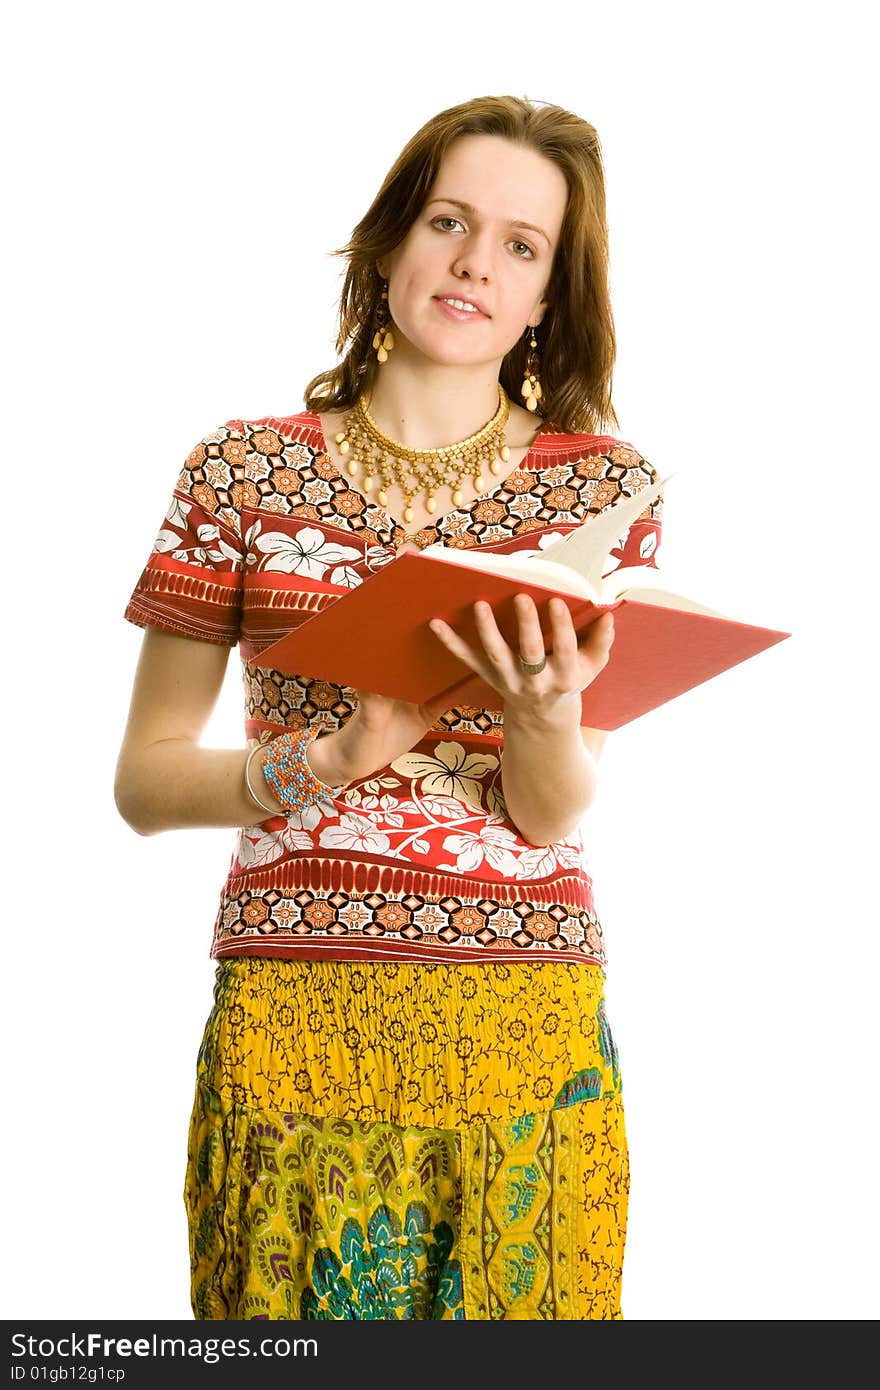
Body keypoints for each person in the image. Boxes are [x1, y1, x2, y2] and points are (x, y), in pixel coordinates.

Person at [114, 94, 664, 1322]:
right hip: (292, 1022)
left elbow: (553, 808)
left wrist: (538, 719)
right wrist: (333, 752)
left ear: (545, 299)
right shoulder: (238, 469)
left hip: (523, 1025)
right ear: (386, 247)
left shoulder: (601, 491)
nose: (476, 260)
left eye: (520, 245)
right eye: (448, 221)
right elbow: (144, 781)